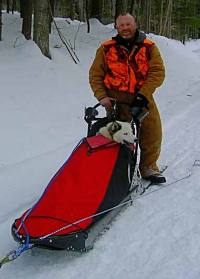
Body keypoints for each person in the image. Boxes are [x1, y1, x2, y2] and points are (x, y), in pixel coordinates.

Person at [89, 12, 166, 184]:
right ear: (116, 27)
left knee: (152, 134)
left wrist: (142, 96)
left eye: (128, 24)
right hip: (115, 101)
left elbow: (157, 73)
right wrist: (102, 97)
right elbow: (95, 75)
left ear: (135, 24)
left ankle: (148, 167)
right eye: (121, 25)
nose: (125, 28)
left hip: (143, 99)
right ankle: (116, 172)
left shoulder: (149, 47)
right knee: (117, 137)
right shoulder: (106, 48)